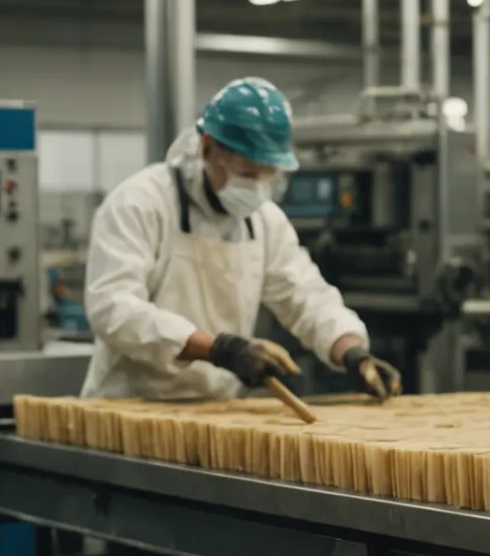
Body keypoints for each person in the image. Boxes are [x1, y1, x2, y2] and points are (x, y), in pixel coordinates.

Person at [81, 77, 401, 401]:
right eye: (247, 174)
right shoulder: (140, 203)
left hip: (215, 410)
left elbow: (305, 295)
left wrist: (352, 353)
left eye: (269, 175)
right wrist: (219, 349)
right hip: (129, 407)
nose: (259, 187)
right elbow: (113, 309)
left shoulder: (265, 221)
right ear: (207, 149)